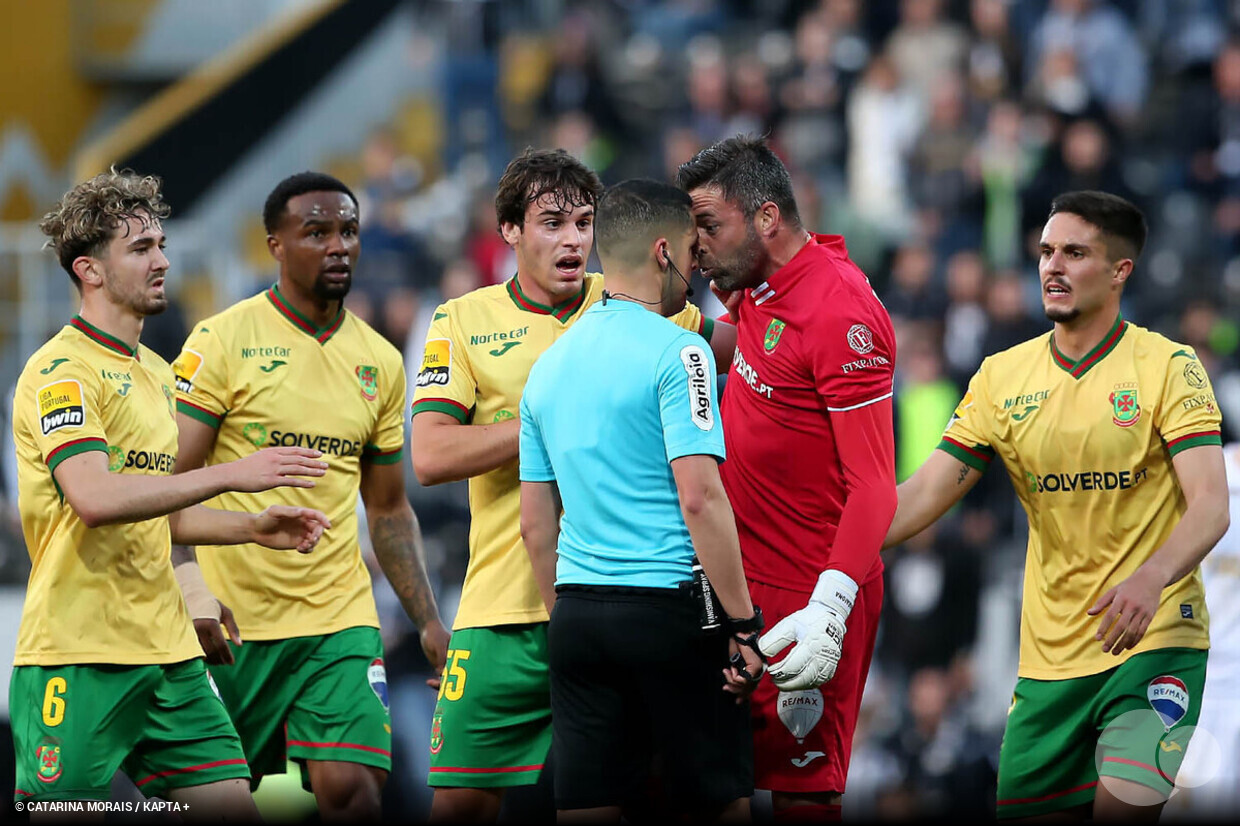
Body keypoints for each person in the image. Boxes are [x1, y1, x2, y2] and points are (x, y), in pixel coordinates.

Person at [410, 148, 736, 823]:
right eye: (552, 223)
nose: (573, 241)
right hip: (502, 605)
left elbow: (737, 346)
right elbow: (432, 455)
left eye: (584, 223)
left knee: (631, 796)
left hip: (613, 600)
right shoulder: (461, 320)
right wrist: (548, 421)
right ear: (509, 231)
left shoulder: (626, 296)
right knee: (460, 803)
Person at [885, 190, 1228, 820]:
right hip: (1048, 664)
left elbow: (1211, 505)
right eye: (1045, 251)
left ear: (1120, 270)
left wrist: (1151, 579)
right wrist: (821, 554)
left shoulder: (1169, 367)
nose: (1052, 266)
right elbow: (926, 493)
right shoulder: (1000, 377)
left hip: (1154, 644)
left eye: (1075, 252)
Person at [12, 170, 331, 815]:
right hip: (79, 652)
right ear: (89, 270)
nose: (162, 259)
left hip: (168, 652)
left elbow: (159, 513)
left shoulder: (159, 374)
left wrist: (252, 526)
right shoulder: (59, 372)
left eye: (160, 243)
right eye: (140, 249)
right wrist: (229, 474)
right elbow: (96, 499)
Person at [170, 171, 450, 820]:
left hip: (336, 622)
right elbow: (167, 489)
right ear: (275, 244)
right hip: (233, 624)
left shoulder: (379, 361)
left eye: (348, 231)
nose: (338, 246)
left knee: (351, 789)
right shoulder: (221, 342)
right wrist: (189, 587)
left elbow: (386, 507)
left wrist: (428, 619)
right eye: (317, 232)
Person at [518, 178, 762, 821]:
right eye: (690, 248)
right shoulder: (681, 351)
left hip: (577, 615)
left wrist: (569, 615)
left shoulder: (547, 367)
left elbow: (536, 527)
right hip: (670, 612)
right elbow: (701, 499)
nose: (697, 264)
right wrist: (742, 624)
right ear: (662, 253)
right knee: (718, 804)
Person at [676, 135, 898, 822]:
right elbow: (751, 352)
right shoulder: (759, 285)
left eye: (709, 227)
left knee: (803, 803)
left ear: (766, 218)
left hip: (809, 600)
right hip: (741, 592)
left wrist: (828, 611)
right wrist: (656, 324)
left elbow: (875, 488)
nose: (698, 248)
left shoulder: (840, 312)